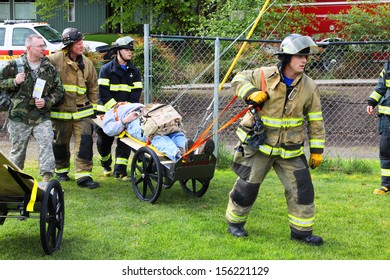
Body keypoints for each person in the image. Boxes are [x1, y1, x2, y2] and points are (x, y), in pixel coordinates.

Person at [225, 34, 326, 245]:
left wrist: (317, 150)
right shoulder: (263, 75)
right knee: (247, 187)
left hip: (290, 149)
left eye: (306, 56)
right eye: (299, 56)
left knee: (302, 190)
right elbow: (237, 79)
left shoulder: (309, 86)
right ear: (286, 57)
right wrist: (251, 92)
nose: (304, 60)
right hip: (258, 145)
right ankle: (235, 223)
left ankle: (301, 232)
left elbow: (315, 119)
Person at [0, 34, 64, 183]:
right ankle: (15, 182)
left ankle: (46, 180)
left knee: (47, 144)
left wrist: (47, 101)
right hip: (18, 117)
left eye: (43, 45)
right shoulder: (14, 65)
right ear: (29, 48)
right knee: (18, 151)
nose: (44, 48)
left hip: (41, 116)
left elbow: (59, 90)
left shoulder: (48, 68)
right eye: (40, 46)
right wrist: (14, 81)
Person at [48, 28, 99, 189]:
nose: (81, 45)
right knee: (60, 143)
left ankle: (84, 175)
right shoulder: (54, 60)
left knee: (85, 142)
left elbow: (93, 88)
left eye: (81, 42)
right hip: (60, 111)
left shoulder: (87, 63)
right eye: (78, 43)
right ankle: (61, 170)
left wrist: (94, 108)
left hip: (82, 111)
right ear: (69, 45)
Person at [96, 36, 143, 180]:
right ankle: (106, 163)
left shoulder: (134, 72)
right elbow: (103, 94)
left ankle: (120, 172)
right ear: (118, 52)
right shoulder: (106, 70)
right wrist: (116, 110)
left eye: (131, 50)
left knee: (125, 141)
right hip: (107, 112)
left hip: (126, 113)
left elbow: (136, 94)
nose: (130, 52)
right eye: (127, 49)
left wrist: (127, 110)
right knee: (104, 142)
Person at [102, 102, 215, 161]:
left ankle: (195, 150)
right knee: (156, 136)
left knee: (173, 132)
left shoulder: (129, 104)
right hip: (133, 122)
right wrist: (124, 120)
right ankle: (179, 155)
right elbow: (108, 130)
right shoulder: (110, 113)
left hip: (149, 114)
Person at [367, 58, 390, 195]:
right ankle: (387, 185)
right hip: (386, 119)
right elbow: (381, 86)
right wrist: (371, 102)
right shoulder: (388, 65)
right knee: (386, 151)